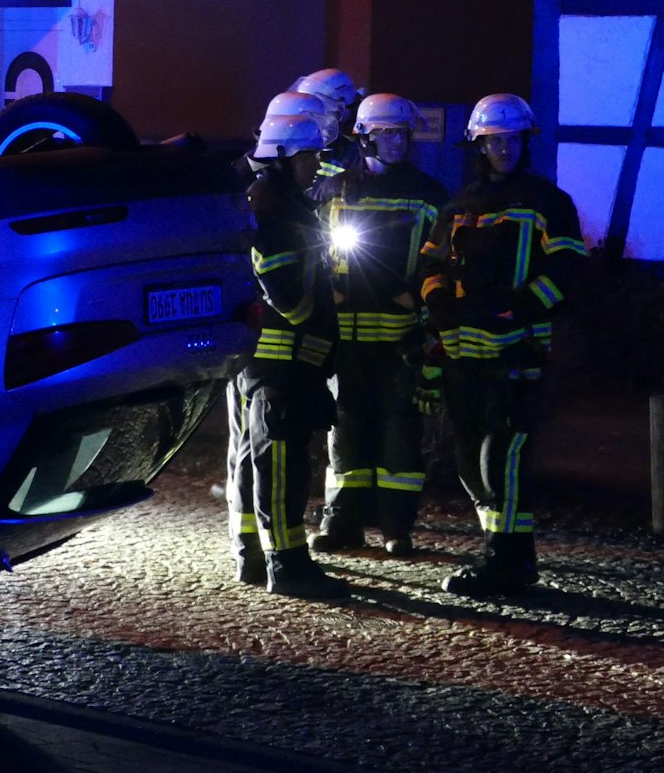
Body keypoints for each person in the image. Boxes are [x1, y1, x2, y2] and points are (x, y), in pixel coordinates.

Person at [418, 93, 587, 596]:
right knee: (471, 456)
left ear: (524, 142)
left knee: (504, 456)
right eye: (495, 140)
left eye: (512, 139)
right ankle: (504, 551)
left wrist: (524, 308)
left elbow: (567, 271)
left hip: (517, 351)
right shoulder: (458, 205)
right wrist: (440, 303)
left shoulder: (549, 203)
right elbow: (430, 265)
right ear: (479, 144)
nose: (504, 149)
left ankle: (509, 559)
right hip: (464, 353)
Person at [309, 93, 447, 556]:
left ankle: (396, 528)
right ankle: (342, 522)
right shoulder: (337, 189)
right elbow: (318, 252)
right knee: (345, 432)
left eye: (402, 134)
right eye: (386, 132)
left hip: (400, 336)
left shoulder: (429, 194)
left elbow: (439, 261)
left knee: (399, 432)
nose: (395, 142)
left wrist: (424, 311)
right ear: (365, 136)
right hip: (347, 335)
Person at [226, 109, 348, 599]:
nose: (317, 165)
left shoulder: (287, 208)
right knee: (280, 467)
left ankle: (256, 556)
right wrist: (320, 309)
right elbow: (290, 300)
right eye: (308, 156)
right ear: (279, 158)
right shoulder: (275, 217)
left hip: (284, 365)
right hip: (278, 366)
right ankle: (288, 566)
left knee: (271, 462)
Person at [292, 67, 367, 187]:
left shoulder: (360, 149)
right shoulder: (304, 147)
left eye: (319, 112)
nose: (312, 121)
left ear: (344, 108)